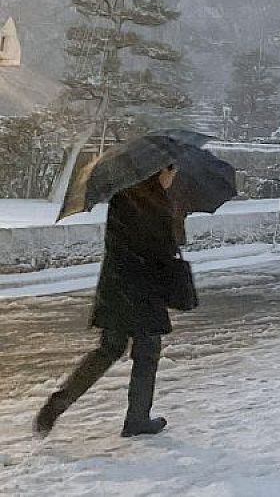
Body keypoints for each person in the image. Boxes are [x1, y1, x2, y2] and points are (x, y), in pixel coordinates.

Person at [35, 166, 182, 438]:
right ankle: (137, 419)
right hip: (143, 292)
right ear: (161, 172)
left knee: (108, 350)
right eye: (172, 172)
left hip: (117, 288)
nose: (173, 178)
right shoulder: (157, 202)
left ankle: (56, 404)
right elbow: (159, 250)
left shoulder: (123, 197)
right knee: (147, 354)